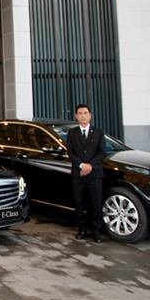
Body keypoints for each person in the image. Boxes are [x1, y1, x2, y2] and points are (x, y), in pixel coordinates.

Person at [67, 103, 106, 243]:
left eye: (85, 113)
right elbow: (70, 152)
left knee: (96, 203)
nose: (83, 116)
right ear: (76, 117)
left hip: (95, 174)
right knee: (80, 203)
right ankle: (82, 229)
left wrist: (90, 166)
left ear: (90, 116)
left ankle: (96, 231)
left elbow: (102, 152)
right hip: (78, 175)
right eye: (80, 113)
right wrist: (81, 165)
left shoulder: (98, 132)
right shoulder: (72, 133)